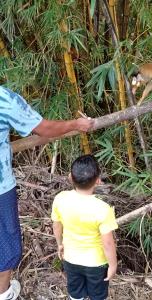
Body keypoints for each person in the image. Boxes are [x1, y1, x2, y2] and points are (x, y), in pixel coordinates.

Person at [0, 86, 94, 300]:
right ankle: (3, 293)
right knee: (4, 243)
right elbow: (44, 128)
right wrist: (77, 124)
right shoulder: (3, 99)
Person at [51, 155, 118, 300]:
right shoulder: (103, 209)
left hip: (70, 259)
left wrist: (60, 244)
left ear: (70, 177)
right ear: (98, 180)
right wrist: (113, 265)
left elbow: (56, 225)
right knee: (98, 295)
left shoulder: (60, 199)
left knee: (75, 293)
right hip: (96, 264)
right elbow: (107, 243)